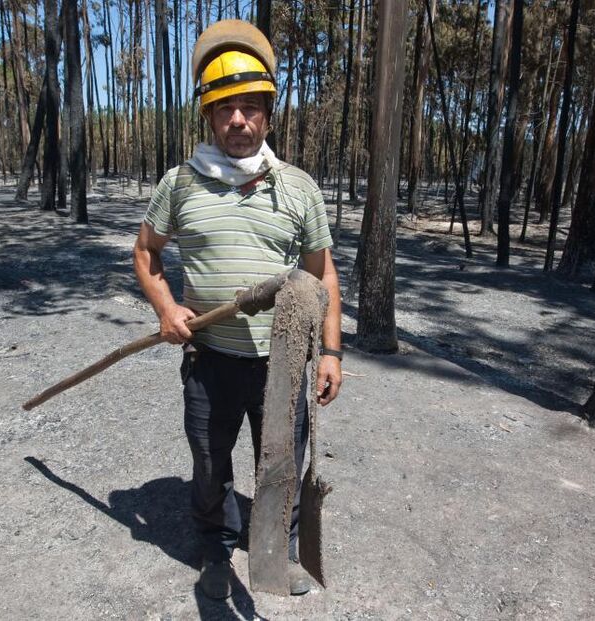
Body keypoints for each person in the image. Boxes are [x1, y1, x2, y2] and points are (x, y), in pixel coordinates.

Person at [133, 19, 342, 599]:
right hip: (210, 360)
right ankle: (217, 550)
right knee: (209, 463)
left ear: (269, 114)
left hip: (281, 366)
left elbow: (322, 273)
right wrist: (167, 309)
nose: (239, 121)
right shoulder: (179, 184)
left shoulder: (297, 187)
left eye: (251, 107)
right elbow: (145, 253)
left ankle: (280, 550)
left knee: (280, 463)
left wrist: (330, 352)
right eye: (226, 109)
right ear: (209, 116)